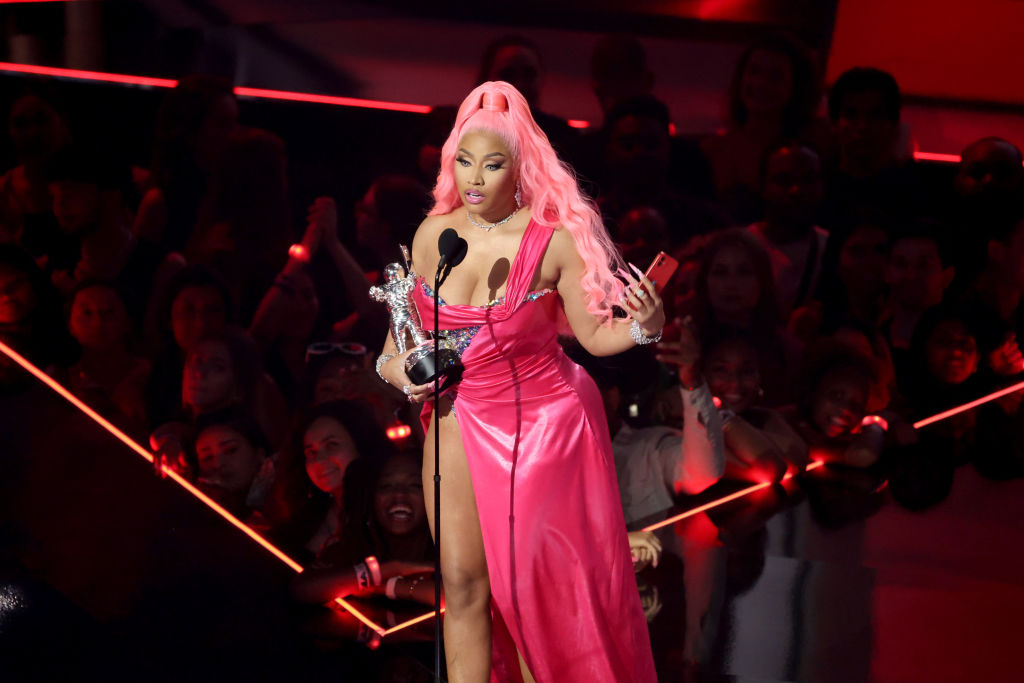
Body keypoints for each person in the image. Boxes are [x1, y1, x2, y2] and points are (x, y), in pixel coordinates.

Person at [375, 82, 659, 682]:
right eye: (464, 161)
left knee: (533, 593)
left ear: (520, 169)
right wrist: (405, 374)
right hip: (454, 417)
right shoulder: (434, 235)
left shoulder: (553, 241)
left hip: (540, 426)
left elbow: (595, 337)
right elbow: (393, 349)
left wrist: (645, 327)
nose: (475, 179)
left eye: (492, 164)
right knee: (461, 581)